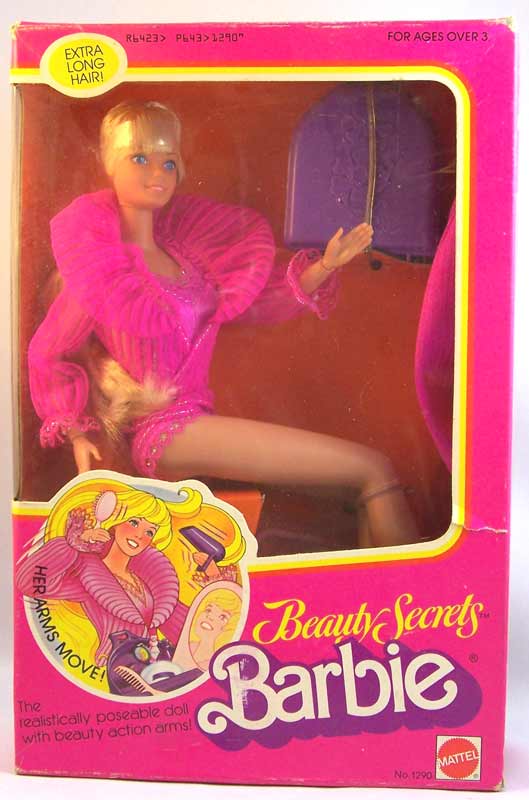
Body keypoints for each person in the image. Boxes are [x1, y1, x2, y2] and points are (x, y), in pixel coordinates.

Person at [28, 100, 417, 549]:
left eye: (169, 161)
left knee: (361, 483)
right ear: (108, 162)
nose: (158, 174)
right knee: (373, 470)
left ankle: (371, 587)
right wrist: (77, 431)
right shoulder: (102, 270)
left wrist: (324, 267)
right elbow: (49, 352)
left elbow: (252, 306)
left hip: (195, 423)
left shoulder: (186, 258)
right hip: (164, 433)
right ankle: (413, 585)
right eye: (140, 158)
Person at [15, 478, 229, 667]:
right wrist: (71, 546)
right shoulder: (89, 576)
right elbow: (30, 583)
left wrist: (215, 579)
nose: (139, 535)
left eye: (149, 532)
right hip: (115, 671)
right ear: (115, 524)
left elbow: (190, 628)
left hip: (156, 671)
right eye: (134, 522)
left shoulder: (153, 586)